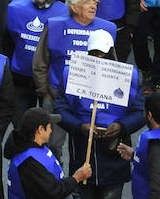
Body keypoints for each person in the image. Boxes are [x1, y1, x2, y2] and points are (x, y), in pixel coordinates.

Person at [55, 29, 144, 199]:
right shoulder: (71, 74)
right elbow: (60, 110)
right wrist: (79, 127)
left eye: (103, 54)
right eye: (94, 54)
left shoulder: (130, 77)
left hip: (115, 158)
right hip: (82, 156)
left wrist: (121, 127)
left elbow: (140, 113)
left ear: (112, 52)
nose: (98, 59)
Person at [4, 107, 93, 197]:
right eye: (49, 127)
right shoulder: (29, 162)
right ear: (40, 129)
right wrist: (76, 178)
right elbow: (53, 191)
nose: (51, 131)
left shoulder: (35, 147)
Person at [117, 92, 160, 198]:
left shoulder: (155, 142)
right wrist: (134, 155)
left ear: (149, 115)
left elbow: (157, 182)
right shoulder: (152, 137)